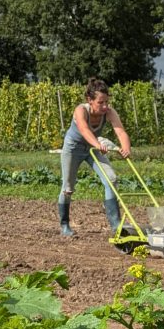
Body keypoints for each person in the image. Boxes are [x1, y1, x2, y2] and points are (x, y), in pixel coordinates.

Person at [58, 78, 132, 237]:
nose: (105, 106)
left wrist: (126, 147)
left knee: (111, 179)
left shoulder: (110, 112)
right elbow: (84, 130)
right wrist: (97, 144)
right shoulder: (81, 110)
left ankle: (116, 226)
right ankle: (65, 225)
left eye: (106, 102)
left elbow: (120, 131)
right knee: (68, 187)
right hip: (73, 147)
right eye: (100, 102)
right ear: (89, 100)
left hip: (93, 146)